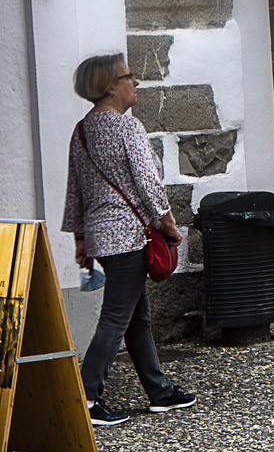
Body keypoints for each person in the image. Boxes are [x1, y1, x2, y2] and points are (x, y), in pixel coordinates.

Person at [62, 53, 196, 426]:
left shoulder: (83, 130)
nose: (135, 82)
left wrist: (80, 238)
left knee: (136, 316)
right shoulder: (127, 128)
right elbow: (148, 182)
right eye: (129, 77)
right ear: (109, 86)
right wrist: (168, 222)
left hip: (103, 238)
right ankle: (86, 399)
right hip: (129, 235)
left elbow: (76, 190)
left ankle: (159, 392)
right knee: (116, 318)